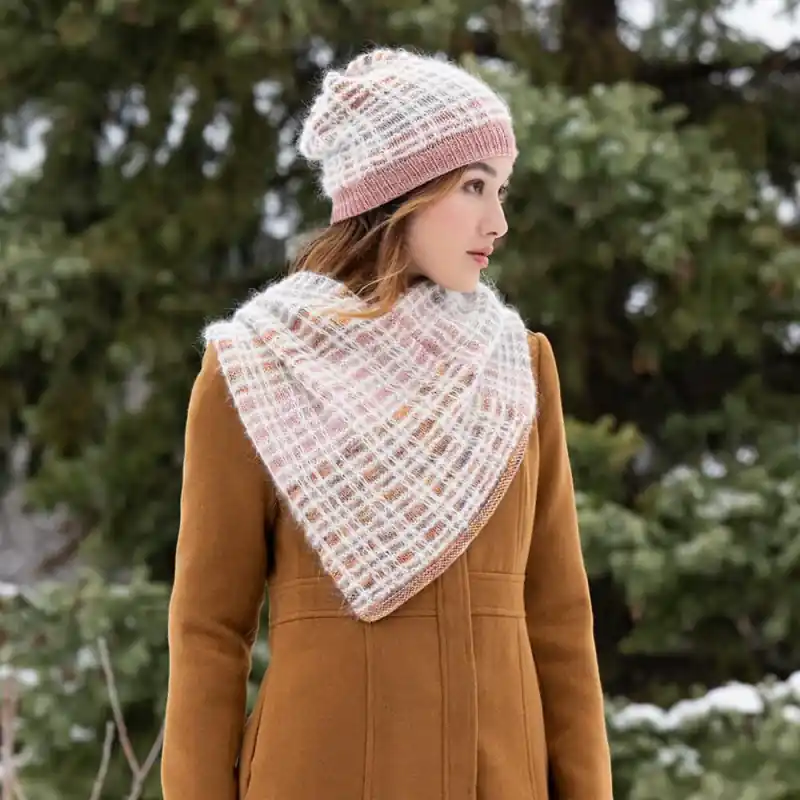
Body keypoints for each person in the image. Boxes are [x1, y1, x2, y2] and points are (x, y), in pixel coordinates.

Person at [160, 46, 612, 800]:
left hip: (501, 778)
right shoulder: (257, 367)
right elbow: (210, 632)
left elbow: (559, 620)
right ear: (400, 191)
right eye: (473, 186)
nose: (498, 221)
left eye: (501, 190)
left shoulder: (518, 367)